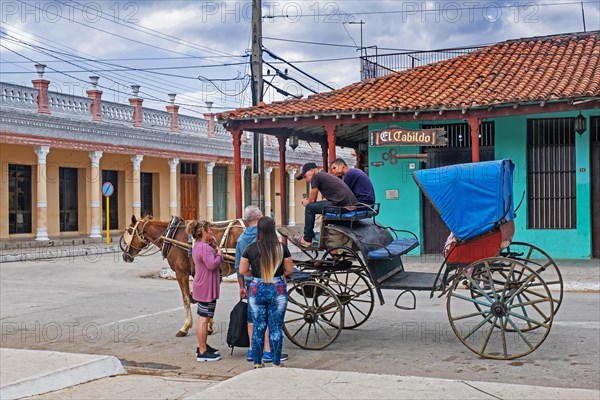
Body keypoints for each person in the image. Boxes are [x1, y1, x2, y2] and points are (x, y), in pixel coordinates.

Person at [234, 205, 289, 363]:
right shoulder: (277, 245)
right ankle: (269, 352)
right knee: (273, 323)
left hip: (254, 285)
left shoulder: (242, 240)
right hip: (275, 284)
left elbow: (240, 268)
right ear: (258, 218)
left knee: (255, 321)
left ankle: (253, 352)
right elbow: (288, 268)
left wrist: (242, 286)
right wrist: (277, 274)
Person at [296, 162, 358, 247]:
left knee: (310, 208)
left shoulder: (316, 176)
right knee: (316, 206)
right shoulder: (323, 175)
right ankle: (319, 235)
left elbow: (312, 199)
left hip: (342, 205)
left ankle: (307, 239)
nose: (305, 179)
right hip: (348, 204)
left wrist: (308, 202)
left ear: (312, 171)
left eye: (305, 176)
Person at [187, 220, 223, 362]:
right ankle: (202, 351)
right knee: (203, 319)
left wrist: (213, 246)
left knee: (204, 318)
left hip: (204, 285)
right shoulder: (204, 248)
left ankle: (203, 346)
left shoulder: (200, 245)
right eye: (209, 231)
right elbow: (212, 264)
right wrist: (219, 254)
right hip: (205, 287)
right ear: (203, 233)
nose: (212, 233)